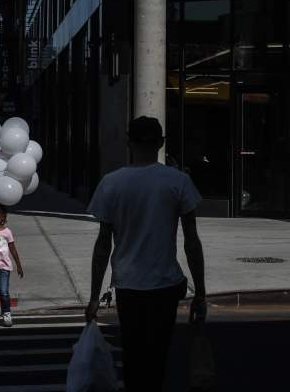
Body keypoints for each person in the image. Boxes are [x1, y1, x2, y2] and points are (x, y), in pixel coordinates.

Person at [85, 116, 207, 392]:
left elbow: (103, 244)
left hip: (129, 285)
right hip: (165, 284)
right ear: (161, 143)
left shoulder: (112, 183)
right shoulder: (178, 182)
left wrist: (94, 296)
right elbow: (192, 242)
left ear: (129, 143)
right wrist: (200, 292)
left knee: (133, 355)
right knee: (158, 356)